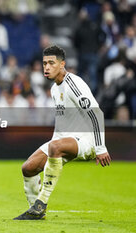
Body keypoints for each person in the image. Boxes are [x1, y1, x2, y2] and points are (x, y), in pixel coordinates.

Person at [13, 45, 111, 220]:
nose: (47, 67)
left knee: (55, 147)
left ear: (62, 64)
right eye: (44, 64)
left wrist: (100, 147)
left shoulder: (73, 84)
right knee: (28, 168)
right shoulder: (54, 88)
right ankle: (34, 211)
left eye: (51, 63)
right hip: (63, 139)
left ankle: (40, 204)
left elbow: (96, 113)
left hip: (86, 140)